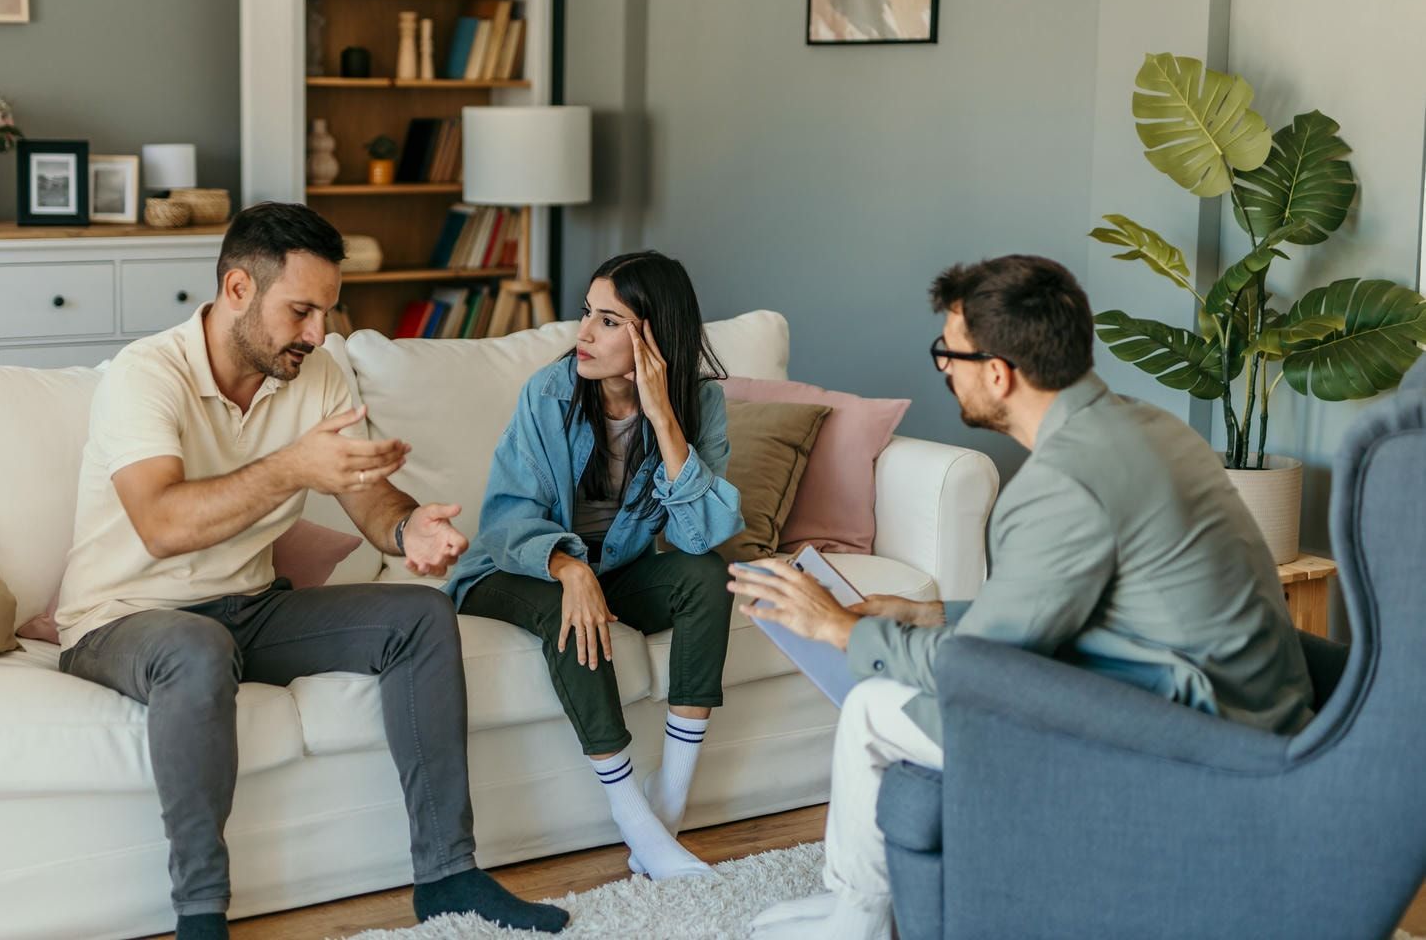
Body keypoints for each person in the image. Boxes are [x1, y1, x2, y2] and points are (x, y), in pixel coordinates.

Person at [730, 254, 1316, 939]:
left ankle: (858, 918)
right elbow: (1072, 612)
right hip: (1237, 703)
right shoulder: (1146, 425)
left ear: (999, 374)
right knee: (893, 670)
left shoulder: (1063, 480)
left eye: (947, 353)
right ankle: (858, 905)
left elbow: (985, 671)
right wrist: (927, 613)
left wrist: (838, 630)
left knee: (869, 705)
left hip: (1193, 736)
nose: (944, 367)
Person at [56, 203, 569, 940]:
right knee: (199, 650)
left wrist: (406, 525)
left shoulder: (317, 372)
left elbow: (366, 494)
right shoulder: (146, 375)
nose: (318, 333)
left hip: (250, 608)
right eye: (300, 311)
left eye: (327, 312)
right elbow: (162, 524)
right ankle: (201, 918)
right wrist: (292, 466)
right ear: (237, 288)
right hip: (122, 619)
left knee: (421, 616)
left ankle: (448, 876)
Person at [444, 251, 745, 881]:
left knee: (708, 580)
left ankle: (670, 807)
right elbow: (506, 518)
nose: (581, 333)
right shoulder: (548, 394)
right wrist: (570, 569)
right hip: (515, 571)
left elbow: (703, 536)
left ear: (653, 336)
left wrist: (663, 418)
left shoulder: (699, 406)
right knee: (567, 609)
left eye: (609, 321)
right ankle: (634, 817)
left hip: (616, 570)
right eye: (587, 313)